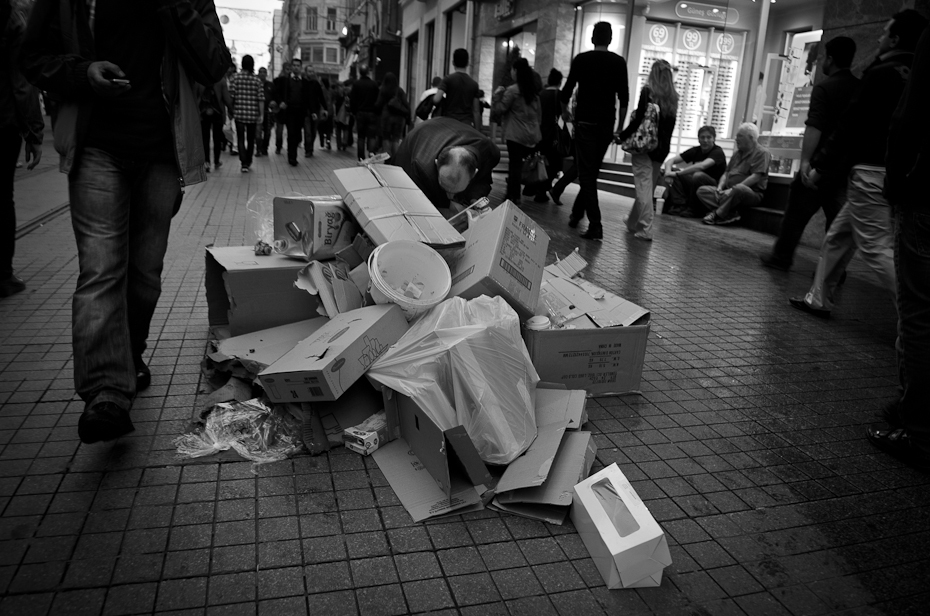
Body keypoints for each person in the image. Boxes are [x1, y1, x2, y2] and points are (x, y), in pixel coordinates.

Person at [22, 0, 230, 444]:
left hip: (160, 150)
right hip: (97, 144)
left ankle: (128, 357)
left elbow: (212, 64)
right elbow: (32, 56)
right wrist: (83, 73)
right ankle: (107, 392)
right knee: (101, 268)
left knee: (144, 276)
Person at [789, 10, 927, 319]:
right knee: (839, 236)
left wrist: (819, 165)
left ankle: (917, 312)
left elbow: (850, 125)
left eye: (885, 32)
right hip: (893, 172)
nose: (878, 38)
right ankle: (818, 297)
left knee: (877, 249)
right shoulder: (916, 75)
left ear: (895, 39)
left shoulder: (880, 73)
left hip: (870, 172)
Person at [870, 25, 930, 471]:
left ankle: (918, 429)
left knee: (918, 313)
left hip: (925, 195)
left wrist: (897, 184)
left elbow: (909, 119)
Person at [760, 36, 860, 271]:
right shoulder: (860, 88)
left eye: (824, 56)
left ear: (831, 59)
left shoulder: (824, 88)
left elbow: (815, 126)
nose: (822, 61)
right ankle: (833, 268)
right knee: (836, 221)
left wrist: (806, 161)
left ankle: (781, 257)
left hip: (819, 166)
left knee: (796, 213)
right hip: (845, 168)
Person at [560, 21, 629, 241]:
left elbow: (565, 92)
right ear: (610, 39)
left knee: (587, 174)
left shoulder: (582, 60)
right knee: (590, 170)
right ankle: (576, 213)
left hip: (585, 125)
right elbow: (624, 98)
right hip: (606, 126)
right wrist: (619, 127)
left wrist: (565, 113)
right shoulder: (619, 62)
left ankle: (596, 224)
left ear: (592, 38)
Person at [1, 0, 43, 298]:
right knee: (3, 197)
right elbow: (21, 81)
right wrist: (33, 131)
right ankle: (3, 274)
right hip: (3, 122)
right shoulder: (12, 17)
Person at [617, 59, 678, 241]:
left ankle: (645, 227)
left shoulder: (648, 92)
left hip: (644, 146)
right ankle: (632, 221)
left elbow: (638, 121)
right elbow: (670, 126)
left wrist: (622, 135)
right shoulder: (673, 97)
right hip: (662, 148)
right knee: (646, 187)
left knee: (643, 187)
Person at [391, 116, 501, 212]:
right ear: (436, 164)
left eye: (455, 191)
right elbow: (418, 207)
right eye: (445, 189)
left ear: (474, 173)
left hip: (448, 129)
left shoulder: (490, 153)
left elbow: (483, 180)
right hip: (418, 139)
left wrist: (475, 200)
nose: (450, 196)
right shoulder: (421, 167)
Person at [696, 122, 771, 225]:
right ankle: (729, 213)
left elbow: (756, 177)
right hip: (728, 191)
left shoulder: (762, 153)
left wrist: (732, 190)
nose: (736, 139)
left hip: (750, 193)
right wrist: (720, 187)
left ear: (751, 138)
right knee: (702, 191)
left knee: (739, 189)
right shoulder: (737, 153)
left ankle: (717, 215)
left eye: (739, 136)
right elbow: (726, 173)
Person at [493, 57, 541, 203]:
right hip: (531, 134)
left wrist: (497, 97)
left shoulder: (512, 91)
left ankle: (513, 196)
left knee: (514, 165)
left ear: (516, 71)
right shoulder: (533, 92)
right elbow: (538, 114)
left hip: (515, 134)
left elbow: (500, 109)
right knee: (519, 164)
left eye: (512, 70)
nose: (511, 72)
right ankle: (515, 194)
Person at [662, 125, 727, 217]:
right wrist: (668, 173)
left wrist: (677, 173)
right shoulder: (695, 150)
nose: (705, 140)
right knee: (675, 172)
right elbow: (670, 161)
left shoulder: (717, 152)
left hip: (714, 186)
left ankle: (693, 209)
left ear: (714, 139)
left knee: (697, 175)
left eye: (709, 137)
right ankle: (679, 205)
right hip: (694, 183)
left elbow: (702, 166)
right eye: (702, 137)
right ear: (698, 139)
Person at [273, 58, 311, 166]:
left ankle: (293, 152)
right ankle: (292, 157)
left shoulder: (304, 82)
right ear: (291, 67)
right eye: (294, 65)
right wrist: (280, 102)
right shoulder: (284, 81)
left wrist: (311, 111)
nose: (296, 67)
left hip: (300, 112)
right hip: (289, 111)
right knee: (291, 133)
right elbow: (276, 92)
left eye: (298, 66)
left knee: (297, 134)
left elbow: (308, 98)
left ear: (301, 67)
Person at [229, 54, 263, 172]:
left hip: (239, 114)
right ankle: (248, 160)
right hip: (252, 115)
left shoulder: (235, 78)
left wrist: (230, 110)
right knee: (250, 138)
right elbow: (261, 99)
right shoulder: (257, 80)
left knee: (240, 138)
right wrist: (261, 114)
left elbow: (231, 96)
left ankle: (243, 162)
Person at [535, 69, 563, 204]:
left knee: (542, 162)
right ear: (560, 81)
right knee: (555, 164)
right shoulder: (560, 95)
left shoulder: (540, 95)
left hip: (540, 133)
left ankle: (540, 189)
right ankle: (544, 189)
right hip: (553, 135)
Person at [434, 48, 480, 128]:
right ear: (468, 63)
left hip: (449, 123)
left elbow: (436, 99)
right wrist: (477, 130)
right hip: (466, 124)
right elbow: (476, 111)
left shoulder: (448, 79)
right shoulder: (474, 84)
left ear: (453, 63)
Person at [375, 72, 411, 160]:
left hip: (386, 117)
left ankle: (387, 158)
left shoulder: (382, 90)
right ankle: (396, 158)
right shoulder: (399, 90)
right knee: (396, 138)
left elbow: (378, 104)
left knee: (386, 138)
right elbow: (406, 105)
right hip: (399, 118)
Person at [199, 77, 231, 172]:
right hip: (217, 112)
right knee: (217, 138)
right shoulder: (221, 80)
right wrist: (232, 110)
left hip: (203, 112)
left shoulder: (199, 79)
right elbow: (226, 98)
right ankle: (216, 161)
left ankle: (206, 162)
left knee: (205, 138)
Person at [350, 65, 380, 160]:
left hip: (360, 112)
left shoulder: (356, 84)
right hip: (371, 112)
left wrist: (354, 111)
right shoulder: (374, 84)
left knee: (361, 136)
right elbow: (378, 99)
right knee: (371, 135)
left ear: (359, 72)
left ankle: (361, 156)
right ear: (368, 72)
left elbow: (353, 99)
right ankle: (371, 153)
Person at [301, 67, 324, 158]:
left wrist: (325, 107)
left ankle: (310, 147)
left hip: (316, 110)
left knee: (314, 131)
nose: (311, 73)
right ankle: (308, 150)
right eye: (309, 71)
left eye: (312, 71)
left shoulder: (316, 84)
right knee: (308, 132)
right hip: (306, 111)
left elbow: (321, 96)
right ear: (306, 72)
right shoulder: (303, 83)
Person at [272, 62, 289, 155]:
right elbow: (276, 93)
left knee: (289, 130)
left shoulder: (293, 80)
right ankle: (278, 146)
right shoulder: (278, 80)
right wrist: (280, 102)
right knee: (279, 129)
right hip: (280, 108)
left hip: (289, 108)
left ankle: (286, 146)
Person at [256, 66, 274, 156]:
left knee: (267, 132)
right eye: (260, 72)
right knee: (258, 132)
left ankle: (265, 148)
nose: (262, 74)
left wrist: (273, 103)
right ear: (258, 73)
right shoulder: (255, 83)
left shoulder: (270, 85)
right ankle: (258, 148)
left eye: (264, 72)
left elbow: (275, 97)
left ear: (266, 74)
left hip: (268, 112)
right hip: (257, 112)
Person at [333, 82, 350, 151]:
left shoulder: (336, 94)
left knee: (338, 130)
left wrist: (334, 114)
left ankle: (339, 144)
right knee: (345, 129)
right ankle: (345, 143)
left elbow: (334, 104)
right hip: (346, 115)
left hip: (338, 114)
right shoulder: (347, 94)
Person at [318, 77, 333, 150]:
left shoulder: (322, 90)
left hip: (322, 111)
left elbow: (321, 101)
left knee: (321, 129)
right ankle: (328, 143)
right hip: (330, 112)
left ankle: (322, 144)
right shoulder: (330, 90)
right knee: (328, 129)